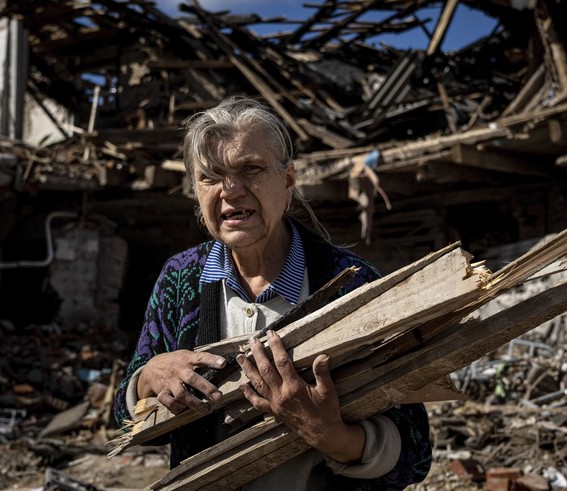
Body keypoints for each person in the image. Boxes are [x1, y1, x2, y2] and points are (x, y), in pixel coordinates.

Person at [113, 96, 431, 489]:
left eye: (251, 169)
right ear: (196, 192)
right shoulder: (180, 278)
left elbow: (416, 455)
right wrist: (148, 377)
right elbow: (125, 418)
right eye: (210, 176)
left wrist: (329, 435)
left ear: (288, 180)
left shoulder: (351, 283)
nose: (231, 191)